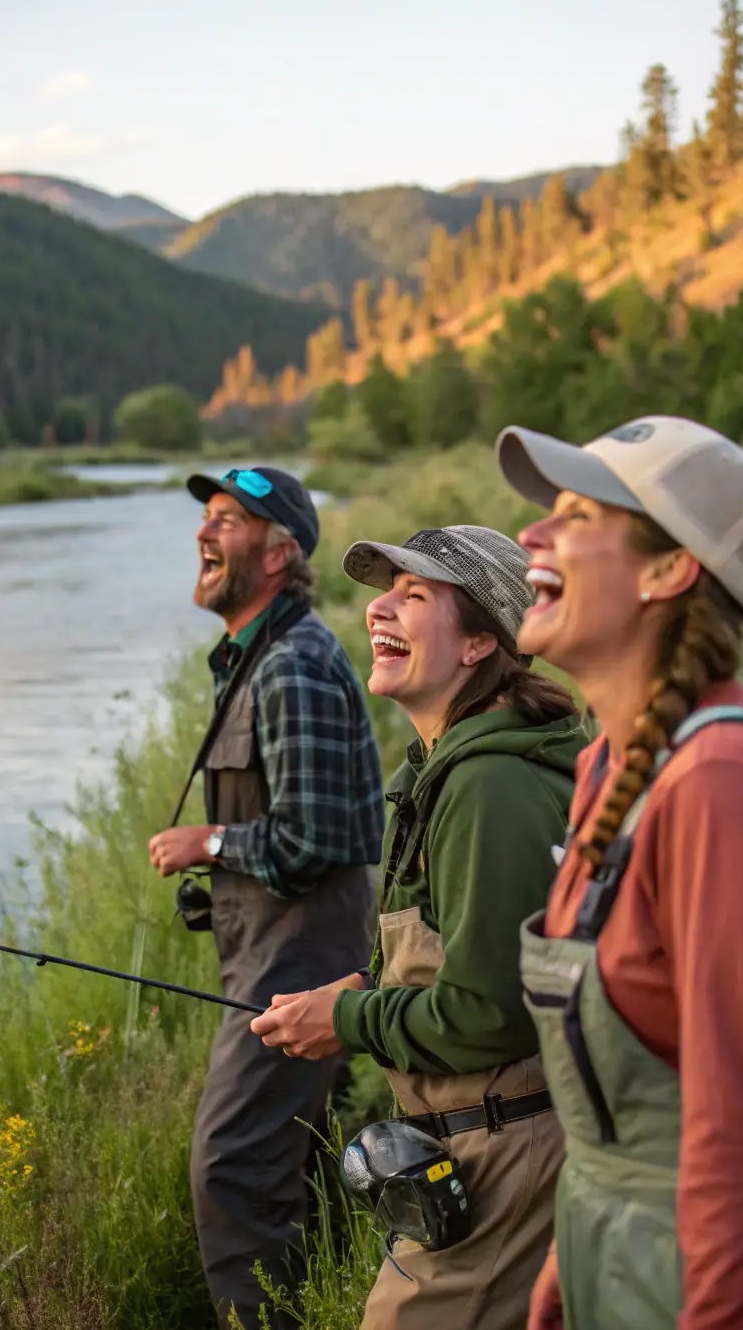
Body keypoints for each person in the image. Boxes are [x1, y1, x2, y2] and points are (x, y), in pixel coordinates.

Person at [493, 415, 743, 1330]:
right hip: (628, 1261)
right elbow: (642, 1094)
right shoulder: (608, 768)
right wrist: (577, 1243)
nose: (530, 534)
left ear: (667, 569)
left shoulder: (725, 790)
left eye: (574, 514)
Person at [250, 524, 587, 1330]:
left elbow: (487, 1013)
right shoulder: (447, 766)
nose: (379, 609)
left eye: (415, 594)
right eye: (383, 590)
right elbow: (461, 956)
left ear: (478, 642)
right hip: (483, 1143)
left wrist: (346, 1018)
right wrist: (362, 986)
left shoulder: (490, 785)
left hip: (509, 1150)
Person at [147, 466, 383, 1330]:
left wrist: (206, 843)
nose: (206, 535)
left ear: (281, 551)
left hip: (299, 958)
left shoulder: (294, 665)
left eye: (229, 520)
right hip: (270, 953)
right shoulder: (259, 655)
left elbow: (314, 840)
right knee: (290, 1169)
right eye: (205, 518)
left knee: (234, 1169)